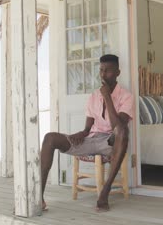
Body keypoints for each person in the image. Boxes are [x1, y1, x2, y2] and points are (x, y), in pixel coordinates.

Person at [40, 54, 133, 212]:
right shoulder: (93, 96)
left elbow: (117, 126)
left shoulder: (126, 97)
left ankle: (105, 192)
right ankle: (38, 196)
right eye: (101, 70)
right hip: (91, 139)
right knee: (50, 138)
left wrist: (107, 97)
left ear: (118, 72)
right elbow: (88, 128)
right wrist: (81, 133)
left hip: (111, 142)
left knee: (123, 132)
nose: (103, 75)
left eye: (108, 71)